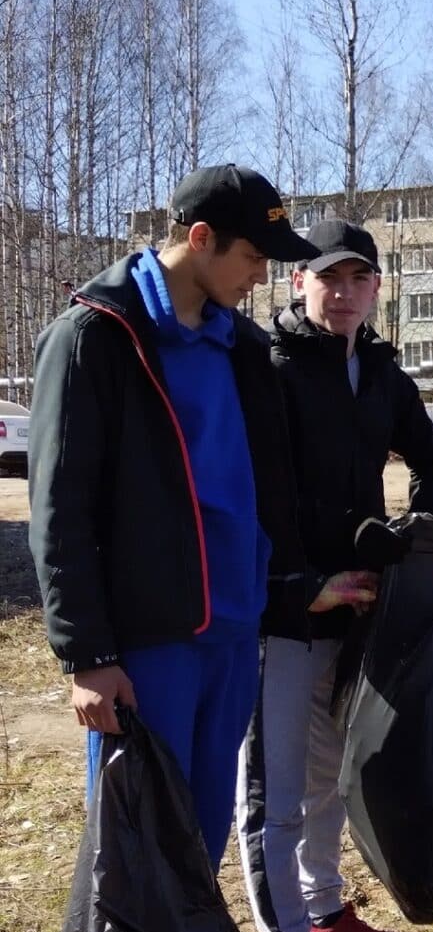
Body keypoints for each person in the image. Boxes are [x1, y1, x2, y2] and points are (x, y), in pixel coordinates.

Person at [27, 165, 373, 866]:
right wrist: (87, 653)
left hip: (234, 633)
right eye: (251, 257)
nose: (261, 276)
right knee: (136, 846)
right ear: (201, 238)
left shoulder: (242, 350)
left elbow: (261, 495)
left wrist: (292, 589)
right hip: (150, 640)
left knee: (204, 833)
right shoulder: (97, 337)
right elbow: (60, 506)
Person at [236, 220, 433, 932]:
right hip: (285, 608)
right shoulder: (267, 369)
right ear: (299, 284)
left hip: (355, 610)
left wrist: (413, 537)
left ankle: (326, 912)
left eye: (359, 279)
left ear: (376, 289)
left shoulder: (382, 374)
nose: (343, 292)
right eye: (328, 277)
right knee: (276, 787)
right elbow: (246, 495)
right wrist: (297, 585)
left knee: (331, 776)